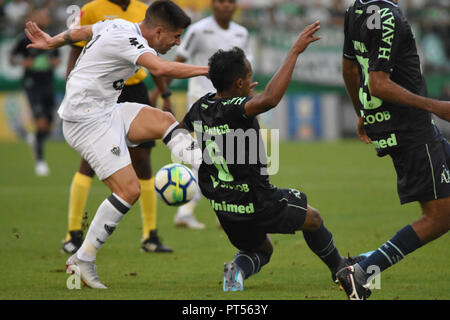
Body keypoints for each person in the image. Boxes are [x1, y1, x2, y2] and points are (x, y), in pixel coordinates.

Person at [25, 0, 208, 288]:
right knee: (129, 190)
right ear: (159, 31)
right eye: (175, 37)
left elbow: (81, 32)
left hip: (107, 111)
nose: (177, 42)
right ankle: (83, 258)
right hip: (85, 122)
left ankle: (209, 169)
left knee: (163, 120)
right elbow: (160, 68)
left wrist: (52, 41)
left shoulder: (118, 24)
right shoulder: (129, 39)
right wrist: (208, 70)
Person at [175, 22, 365, 292]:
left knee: (261, 248)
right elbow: (270, 99)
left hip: (225, 207)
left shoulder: (200, 106)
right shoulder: (237, 108)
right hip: (257, 200)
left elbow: (183, 131)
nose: (253, 81)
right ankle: (341, 269)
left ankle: (237, 271)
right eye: (249, 76)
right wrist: (295, 51)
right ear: (239, 82)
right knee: (313, 219)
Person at [337, 0, 450, 300]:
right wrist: (436, 106)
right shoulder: (388, 16)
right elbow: (378, 83)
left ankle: (363, 261)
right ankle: (361, 273)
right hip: (411, 128)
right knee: (439, 217)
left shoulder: (356, 9)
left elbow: (349, 69)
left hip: (396, 123)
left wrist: (361, 112)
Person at [61, 0, 173, 255]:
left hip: (134, 87)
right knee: (88, 163)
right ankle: (73, 233)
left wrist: (165, 94)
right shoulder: (92, 9)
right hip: (100, 89)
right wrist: (72, 85)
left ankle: (150, 235)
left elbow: (152, 56)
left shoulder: (144, 11)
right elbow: (76, 48)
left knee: (143, 161)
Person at [152, 0, 252, 230]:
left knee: (226, 160)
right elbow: (178, 60)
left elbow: (245, 70)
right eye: (221, 1)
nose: (226, 6)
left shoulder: (242, 33)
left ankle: (205, 211)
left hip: (231, 103)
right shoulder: (198, 30)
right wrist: (161, 92)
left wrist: (249, 98)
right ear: (213, 5)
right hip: (202, 101)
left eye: (230, 2)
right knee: (211, 161)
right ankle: (214, 211)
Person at [10, 8, 60, 176]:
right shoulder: (24, 39)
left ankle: (36, 138)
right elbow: (12, 58)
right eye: (41, 15)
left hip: (48, 84)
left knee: (48, 125)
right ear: (33, 18)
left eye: (46, 15)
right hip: (32, 85)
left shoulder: (52, 37)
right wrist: (24, 62)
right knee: (40, 121)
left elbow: (57, 57)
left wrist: (54, 61)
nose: (45, 18)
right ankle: (40, 161)